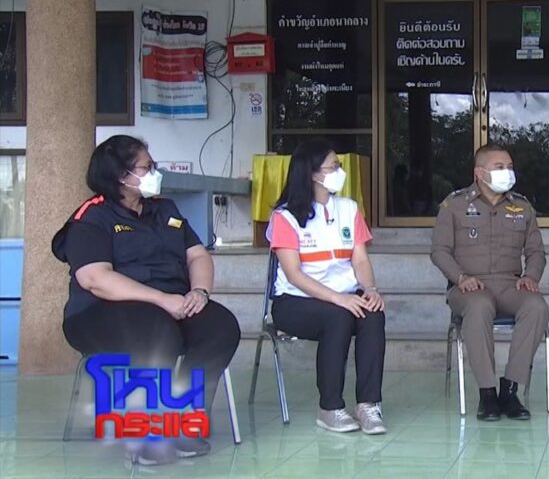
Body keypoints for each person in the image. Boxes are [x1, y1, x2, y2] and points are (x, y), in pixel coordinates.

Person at [52, 135, 240, 466]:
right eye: (147, 167)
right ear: (121, 175)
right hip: (100, 312)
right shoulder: (92, 217)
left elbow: (197, 255)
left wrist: (199, 292)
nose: (155, 172)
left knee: (220, 327)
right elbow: (95, 278)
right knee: (156, 333)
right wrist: (162, 300)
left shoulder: (164, 209)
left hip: (169, 304)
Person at [267, 140, 387, 435]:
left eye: (338, 166)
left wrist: (370, 289)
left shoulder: (348, 208)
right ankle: (330, 407)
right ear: (312, 173)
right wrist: (338, 299)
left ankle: (368, 405)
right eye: (333, 167)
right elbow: (294, 275)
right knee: (339, 316)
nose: (339, 172)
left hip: (343, 296)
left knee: (372, 314)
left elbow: (360, 259)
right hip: (295, 301)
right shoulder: (285, 216)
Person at [430, 144, 549, 421]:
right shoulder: (454, 205)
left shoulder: (522, 206)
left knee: (537, 307)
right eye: (499, 167)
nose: (507, 172)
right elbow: (439, 251)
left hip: (510, 285)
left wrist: (531, 276)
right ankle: (487, 393)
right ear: (479, 173)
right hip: (468, 286)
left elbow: (536, 252)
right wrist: (460, 277)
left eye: (509, 167)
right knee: (479, 306)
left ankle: (510, 389)